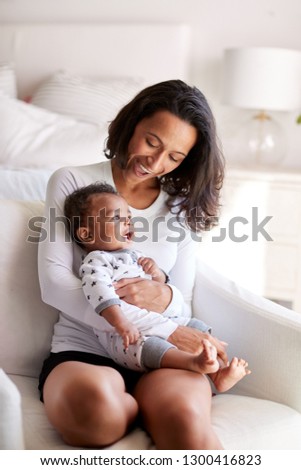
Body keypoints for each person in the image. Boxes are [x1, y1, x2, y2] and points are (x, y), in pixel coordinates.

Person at [38, 79, 232, 449]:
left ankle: (156, 406)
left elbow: (183, 300)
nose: (155, 163)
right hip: (86, 350)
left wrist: (162, 295)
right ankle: (137, 410)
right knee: (94, 418)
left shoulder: (180, 206)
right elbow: (55, 283)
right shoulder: (73, 181)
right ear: (131, 124)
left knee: (186, 424)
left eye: (174, 157)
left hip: (163, 352)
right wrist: (167, 327)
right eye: (152, 142)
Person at [64, 182, 250, 392]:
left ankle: (218, 372)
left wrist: (157, 274)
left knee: (197, 327)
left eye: (128, 217)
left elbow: (158, 288)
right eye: (116, 218)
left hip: (162, 320)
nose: (127, 222)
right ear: (86, 234)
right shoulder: (96, 261)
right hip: (127, 335)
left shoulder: (135, 256)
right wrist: (122, 323)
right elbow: (100, 295)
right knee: (153, 347)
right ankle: (193, 364)